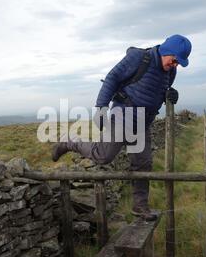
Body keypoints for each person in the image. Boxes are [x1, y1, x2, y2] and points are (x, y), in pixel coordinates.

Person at [52, 34, 192, 220]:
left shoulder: (170, 72)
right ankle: (69, 142)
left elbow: (154, 90)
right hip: (122, 115)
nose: (175, 65)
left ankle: (139, 206)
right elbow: (112, 78)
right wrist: (101, 108)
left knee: (143, 164)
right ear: (167, 51)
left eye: (179, 64)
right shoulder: (139, 58)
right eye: (174, 60)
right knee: (103, 156)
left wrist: (170, 94)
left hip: (143, 123)